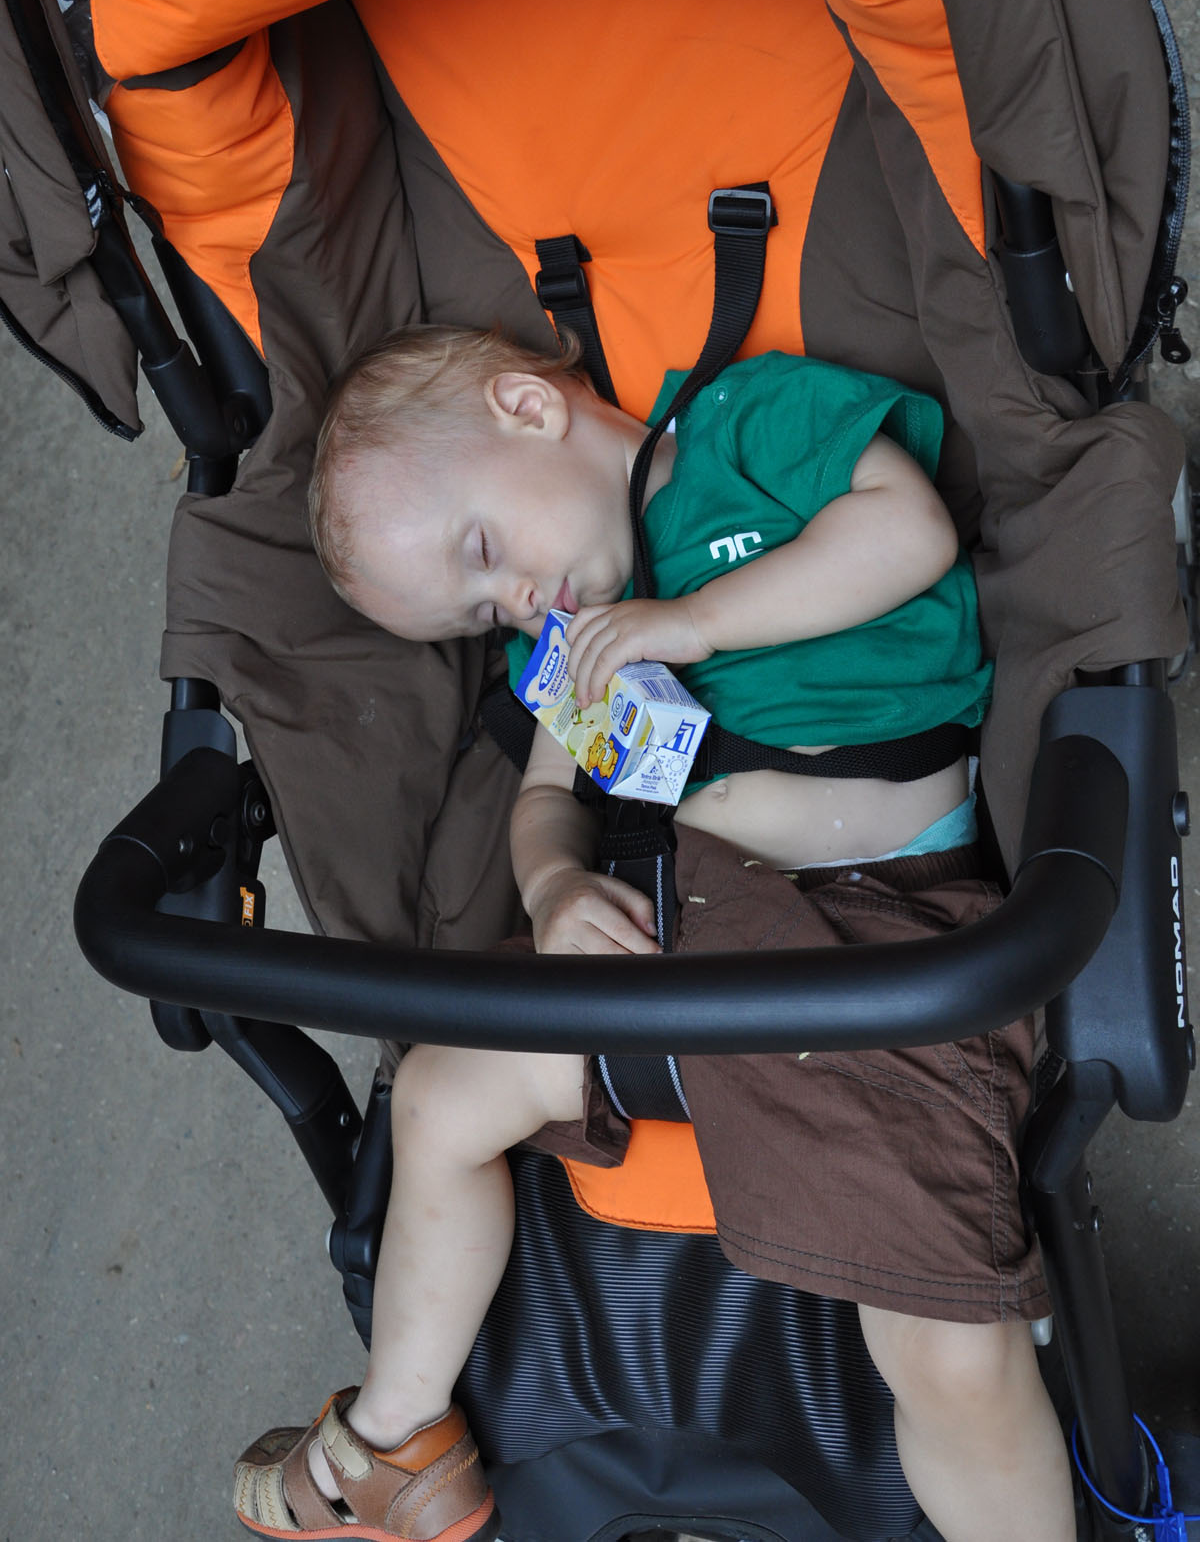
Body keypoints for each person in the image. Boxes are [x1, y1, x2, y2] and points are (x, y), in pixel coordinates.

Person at [234, 324, 1074, 1542]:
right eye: (480, 609)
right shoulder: (569, 645)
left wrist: (694, 621)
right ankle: (400, 1443)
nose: (517, 604)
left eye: (485, 552)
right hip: (674, 949)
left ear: (529, 407)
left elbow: (910, 533)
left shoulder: (748, 426)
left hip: (877, 951)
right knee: (437, 1094)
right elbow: (543, 799)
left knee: (948, 1350)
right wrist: (552, 888)